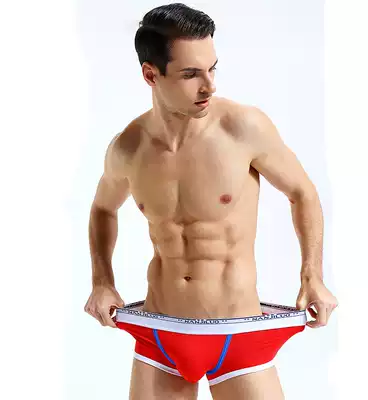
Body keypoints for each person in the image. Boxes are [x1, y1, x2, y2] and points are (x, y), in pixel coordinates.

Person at [84, 3, 338, 399]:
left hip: (237, 331)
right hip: (161, 332)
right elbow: (103, 208)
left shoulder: (243, 128)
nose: (209, 86)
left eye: (212, 69)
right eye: (191, 75)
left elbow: (301, 192)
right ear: (150, 74)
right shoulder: (129, 148)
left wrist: (312, 276)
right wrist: (102, 281)